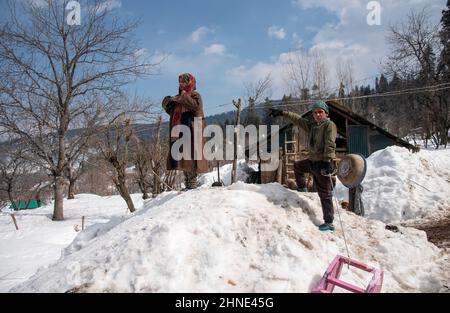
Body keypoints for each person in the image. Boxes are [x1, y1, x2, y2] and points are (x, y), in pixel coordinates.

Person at [269, 101, 337, 231]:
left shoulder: (329, 125)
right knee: (298, 166)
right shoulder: (312, 126)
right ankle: (302, 188)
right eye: (315, 112)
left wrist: (328, 161)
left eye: (320, 112)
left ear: (326, 113)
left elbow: (330, 143)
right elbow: (298, 119)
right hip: (312, 161)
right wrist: (283, 113)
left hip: (323, 163)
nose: (317, 114)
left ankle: (329, 222)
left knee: (325, 193)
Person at [162, 73, 208, 189]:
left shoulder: (195, 95)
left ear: (190, 83)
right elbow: (171, 112)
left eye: (184, 82)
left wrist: (182, 96)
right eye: (180, 82)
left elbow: (195, 107)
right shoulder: (179, 98)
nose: (181, 84)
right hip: (180, 131)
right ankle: (188, 183)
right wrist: (167, 102)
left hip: (193, 131)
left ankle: (192, 183)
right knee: (182, 158)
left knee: (192, 157)